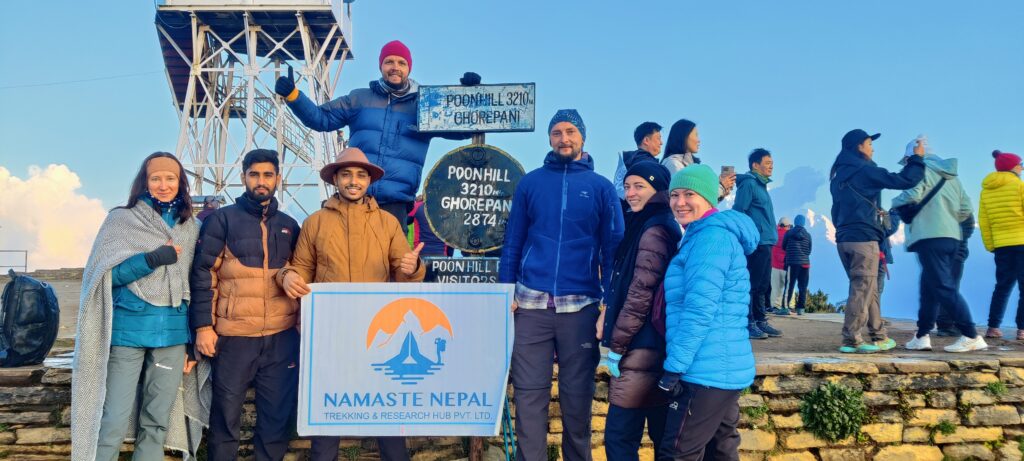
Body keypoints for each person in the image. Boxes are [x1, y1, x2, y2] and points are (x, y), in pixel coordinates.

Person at [278, 147, 425, 461]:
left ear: (369, 180)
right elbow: (301, 270)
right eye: (346, 174)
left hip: (379, 333)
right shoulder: (315, 223)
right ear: (335, 179)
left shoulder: (387, 223)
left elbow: (404, 272)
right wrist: (288, 276)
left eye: (360, 174)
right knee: (327, 409)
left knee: (387, 413)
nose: (353, 181)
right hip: (331, 335)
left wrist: (413, 269)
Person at [498, 109, 624, 461]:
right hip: (530, 306)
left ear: (583, 137)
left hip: (580, 307)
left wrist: (607, 306)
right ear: (549, 139)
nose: (563, 138)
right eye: (556, 133)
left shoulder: (600, 188)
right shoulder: (531, 183)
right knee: (528, 396)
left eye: (570, 132)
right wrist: (506, 290)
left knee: (577, 399)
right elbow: (513, 241)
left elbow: (612, 251)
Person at [72, 153, 204, 460]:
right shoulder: (122, 219)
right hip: (127, 333)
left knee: (156, 421)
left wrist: (191, 345)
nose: (163, 185)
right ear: (144, 182)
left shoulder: (191, 226)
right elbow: (105, 275)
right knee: (114, 419)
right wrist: (152, 259)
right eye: (155, 178)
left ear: (180, 183)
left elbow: (195, 284)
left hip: (172, 336)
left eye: (170, 178)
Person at [275, 40, 474, 232]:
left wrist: (471, 97)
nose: (395, 67)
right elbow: (321, 119)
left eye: (401, 63)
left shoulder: (426, 105)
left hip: (396, 204)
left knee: (390, 265)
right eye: (389, 61)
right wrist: (294, 96)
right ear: (381, 66)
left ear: (409, 68)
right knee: (347, 262)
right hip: (354, 198)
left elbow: (460, 130)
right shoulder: (359, 98)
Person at [189, 149, 302, 460]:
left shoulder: (290, 225)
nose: (261, 181)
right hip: (234, 337)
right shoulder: (221, 220)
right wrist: (203, 327)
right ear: (243, 178)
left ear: (278, 178)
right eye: (254, 175)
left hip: (281, 338)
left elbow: (302, 272)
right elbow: (203, 276)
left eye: (268, 175)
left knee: (276, 420)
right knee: (225, 417)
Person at [658, 164, 757, 461]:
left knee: (677, 453)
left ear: (708, 198)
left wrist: (674, 367)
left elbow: (699, 310)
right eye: (674, 195)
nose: (680, 202)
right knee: (720, 450)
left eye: (690, 194)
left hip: (704, 370)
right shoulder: (706, 234)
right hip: (722, 368)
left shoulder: (709, 239)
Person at [601, 163, 680, 460]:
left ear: (657, 189)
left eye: (639, 186)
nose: (630, 193)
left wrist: (617, 346)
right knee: (661, 435)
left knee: (620, 438)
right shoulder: (654, 223)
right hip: (654, 347)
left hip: (640, 348)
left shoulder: (653, 230)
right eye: (628, 186)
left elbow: (639, 295)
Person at [829, 129, 925, 354]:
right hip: (864, 240)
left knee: (867, 288)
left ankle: (879, 335)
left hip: (844, 239)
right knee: (862, 289)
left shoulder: (837, 177)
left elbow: (836, 212)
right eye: (869, 144)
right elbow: (904, 180)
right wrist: (917, 158)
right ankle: (852, 339)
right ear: (859, 146)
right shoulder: (865, 170)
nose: (873, 148)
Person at [891, 138, 982, 352]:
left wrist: (894, 205)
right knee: (929, 288)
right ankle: (922, 336)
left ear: (910, 157)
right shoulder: (953, 178)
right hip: (951, 238)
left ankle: (971, 335)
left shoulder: (920, 171)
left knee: (942, 287)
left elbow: (909, 196)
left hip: (930, 236)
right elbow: (966, 211)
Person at [733, 148, 781, 339]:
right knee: (752, 284)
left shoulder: (761, 186)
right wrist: (747, 236)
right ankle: (749, 322)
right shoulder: (749, 184)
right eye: (767, 163)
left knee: (763, 284)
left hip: (767, 242)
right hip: (756, 242)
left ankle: (761, 320)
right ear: (755, 165)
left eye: (772, 163)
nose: (771, 166)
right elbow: (739, 211)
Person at [979, 150, 1024, 340]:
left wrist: (991, 245)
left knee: (1002, 286)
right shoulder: (1020, 186)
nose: (1022, 167)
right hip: (1022, 242)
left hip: (1002, 245)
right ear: (1013, 167)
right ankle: (1022, 329)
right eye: (1020, 164)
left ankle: (993, 327)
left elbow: (984, 221)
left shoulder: (986, 191)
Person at [659, 119, 735, 200]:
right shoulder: (673, 163)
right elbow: (688, 197)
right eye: (696, 135)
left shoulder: (690, 165)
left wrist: (721, 191)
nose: (698, 140)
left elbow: (701, 204)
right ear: (684, 136)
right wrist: (721, 187)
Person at [614, 121, 665, 199]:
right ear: (646, 140)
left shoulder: (630, 161)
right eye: (658, 138)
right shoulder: (647, 163)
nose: (661, 143)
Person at [782, 215, 813, 315]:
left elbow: (783, 246)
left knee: (789, 286)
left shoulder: (789, 233)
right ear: (804, 223)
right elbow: (809, 251)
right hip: (805, 264)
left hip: (792, 263)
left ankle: (785, 308)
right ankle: (801, 309)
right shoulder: (808, 235)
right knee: (803, 286)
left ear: (795, 222)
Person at [769, 217, 793, 314]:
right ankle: (788, 305)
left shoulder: (774, 234)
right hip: (786, 265)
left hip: (774, 265)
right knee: (789, 286)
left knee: (775, 288)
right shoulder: (790, 235)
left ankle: (775, 306)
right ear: (787, 226)